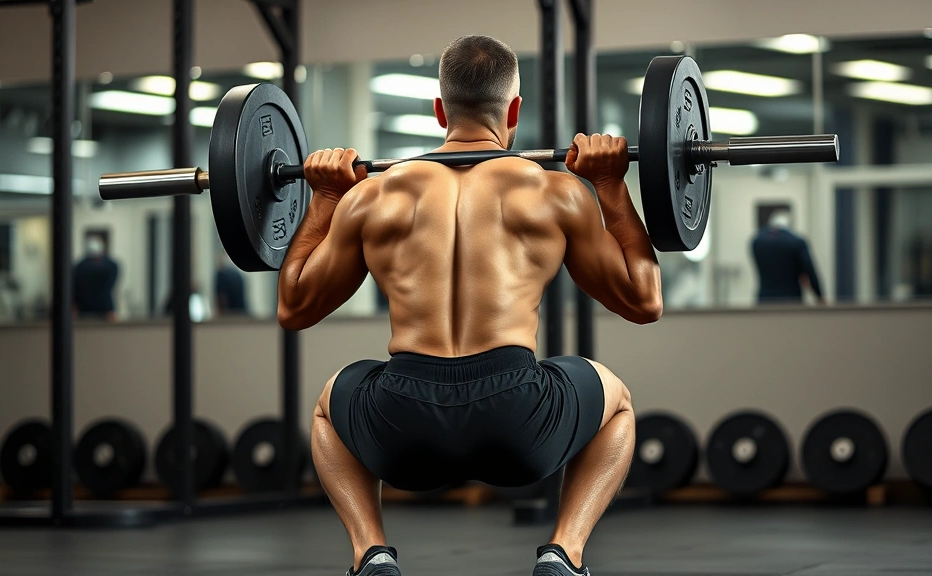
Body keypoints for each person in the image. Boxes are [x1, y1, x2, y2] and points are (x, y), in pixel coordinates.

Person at [278, 35, 662, 576]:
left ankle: (371, 552)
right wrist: (611, 186)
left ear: (440, 110)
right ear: (514, 111)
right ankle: (563, 553)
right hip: (520, 423)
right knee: (615, 401)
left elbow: (293, 306)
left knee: (327, 405)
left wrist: (323, 200)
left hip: (402, 425)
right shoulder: (555, 192)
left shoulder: (373, 196)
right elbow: (644, 300)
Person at [750, 210, 825, 305]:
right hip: (791, 299)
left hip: (765, 299)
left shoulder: (756, 242)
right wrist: (819, 296)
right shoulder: (796, 242)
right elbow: (809, 270)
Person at [72, 234, 119, 321]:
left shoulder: (110, 266)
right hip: (84, 309)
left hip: (104, 308)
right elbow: (75, 288)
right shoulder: (81, 267)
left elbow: (110, 285)